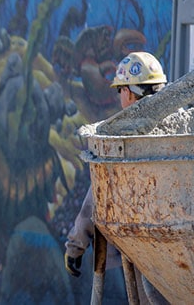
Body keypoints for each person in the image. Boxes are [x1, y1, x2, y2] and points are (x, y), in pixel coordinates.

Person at [64, 52, 169, 304]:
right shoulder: (179, 129)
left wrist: (75, 244)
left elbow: (97, 197)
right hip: (176, 253)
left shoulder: (120, 139)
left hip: (133, 253)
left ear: (129, 93)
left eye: (121, 90)